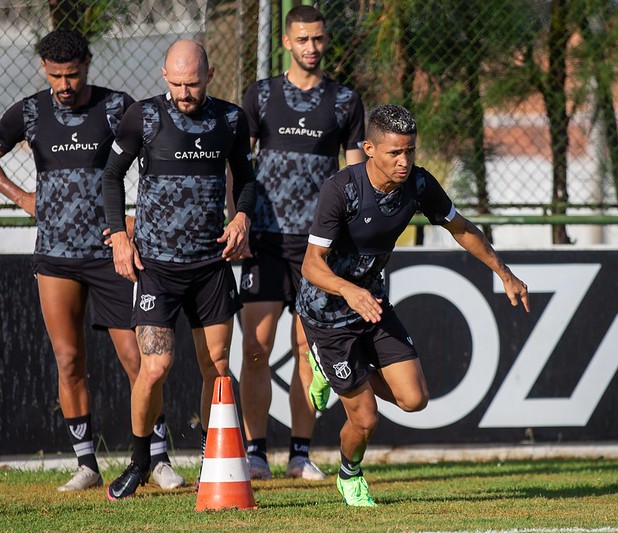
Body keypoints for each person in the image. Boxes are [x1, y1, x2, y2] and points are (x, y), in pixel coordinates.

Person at [297, 104, 530, 506]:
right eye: (394, 153)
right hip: (328, 312)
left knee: (414, 400)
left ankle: (336, 374)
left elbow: (462, 229)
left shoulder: (418, 185)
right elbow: (311, 266)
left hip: (373, 304)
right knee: (365, 418)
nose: (404, 161)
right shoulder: (342, 189)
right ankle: (349, 473)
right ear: (369, 148)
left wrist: (504, 272)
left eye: (410, 151)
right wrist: (349, 291)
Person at [0, 30, 183, 492]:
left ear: (87, 64)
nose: (64, 84)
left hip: (113, 254)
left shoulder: (117, 105)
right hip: (56, 257)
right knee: (69, 360)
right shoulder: (29, 111)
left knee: (136, 356)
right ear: (44, 68)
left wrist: (141, 215)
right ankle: (86, 463)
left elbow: (154, 154)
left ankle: (156, 458)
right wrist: (21, 195)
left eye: (73, 73)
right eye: (55, 74)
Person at [101, 39, 255, 500]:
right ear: (164, 77)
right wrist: (119, 237)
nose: (185, 93)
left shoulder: (230, 119)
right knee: (155, 367)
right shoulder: (143, 117)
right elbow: (111, 175)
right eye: (177, 83)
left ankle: (215, 457)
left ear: (209, 76)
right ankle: (140, 460)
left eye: (193, 83)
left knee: (219, 364)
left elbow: (245, 177)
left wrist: (243, 216)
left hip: (211, 265)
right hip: (157, 267)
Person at [236, 4, 365, 480]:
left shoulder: (346, 100)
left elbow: (355, 176)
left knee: (309, 350)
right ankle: (254, 453)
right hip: (265, 241)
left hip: (318, 247)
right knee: (255, 348)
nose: (312, 48)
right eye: (303, 40)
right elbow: (239, 164)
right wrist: (239, 220)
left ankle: (300, 454)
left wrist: (351, 237)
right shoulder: (262, 96)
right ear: (287, 42)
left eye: (319, 39)